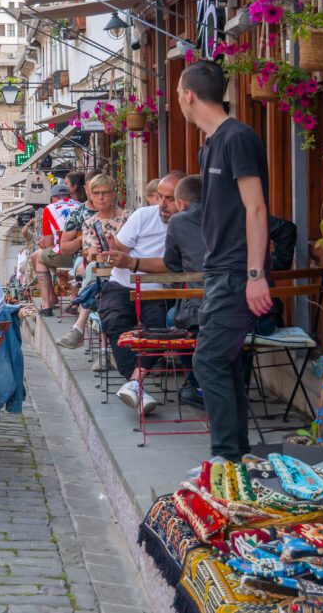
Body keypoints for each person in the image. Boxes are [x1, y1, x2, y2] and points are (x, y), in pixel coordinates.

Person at [177, 60, 272, 463]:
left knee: (209, 359)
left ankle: (227, 453)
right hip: (221, 270)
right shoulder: (211, 143)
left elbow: (256, 209)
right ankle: (236, 452)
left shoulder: (237, 138)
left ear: (188, 96)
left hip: (236, 272)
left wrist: (255, 275)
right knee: (224, 361)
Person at [99, 172, 184, 414]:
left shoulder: (189, 225)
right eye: (160, 197)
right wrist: (112, 250)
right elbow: (121, 250)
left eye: (169, 199)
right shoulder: (144, 216)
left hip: (157, 290)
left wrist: (133, 262)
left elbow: (172, 264)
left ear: (185, 201)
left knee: (160, 330)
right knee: (114, 321)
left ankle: (134, 385)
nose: (162, 205)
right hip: (122, 284)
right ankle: (136, 385)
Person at [56, 173, 128, 353]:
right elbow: (88, 250)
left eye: (105, 192)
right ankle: (104, 348)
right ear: (90, 195)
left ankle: (79, 329)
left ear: (113, 194)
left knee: (94, 274)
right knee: (96, 273)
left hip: (126, 267)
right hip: (104, 268)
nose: (100, 197)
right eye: (96, 193)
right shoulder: (89, 222)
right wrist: (93, 250)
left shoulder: (127, 217)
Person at [162, 175, 207, 408]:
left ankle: (197, 386)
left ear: (181, 202)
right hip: (253, 312)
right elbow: (286, 230)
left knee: (173, 319)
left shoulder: (178, 222)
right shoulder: (234, 213)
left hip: (205, 313)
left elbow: (171, 262)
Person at [30, 182, 81, 316]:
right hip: (83, 255)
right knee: (42, 255)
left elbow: (49, 243)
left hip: (64, 255)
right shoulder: (80, 206)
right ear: (70, 196)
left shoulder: (49, 209)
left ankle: (47, 303)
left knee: (38, 258)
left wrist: (44, 242)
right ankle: (73, 300)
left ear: (53, 198)